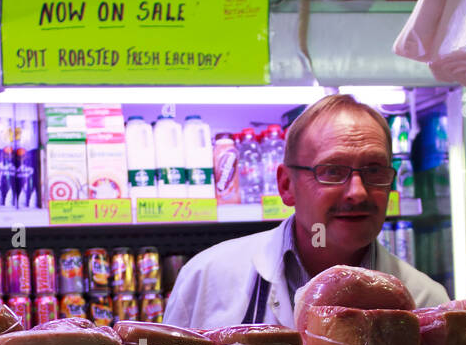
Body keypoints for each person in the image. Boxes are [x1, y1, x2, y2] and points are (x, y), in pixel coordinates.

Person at [164, 94, 449, 328]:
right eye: (333, 171)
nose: (358, 192)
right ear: (287, 185)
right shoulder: (205, 280)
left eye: (374, 170)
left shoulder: (427, 302)